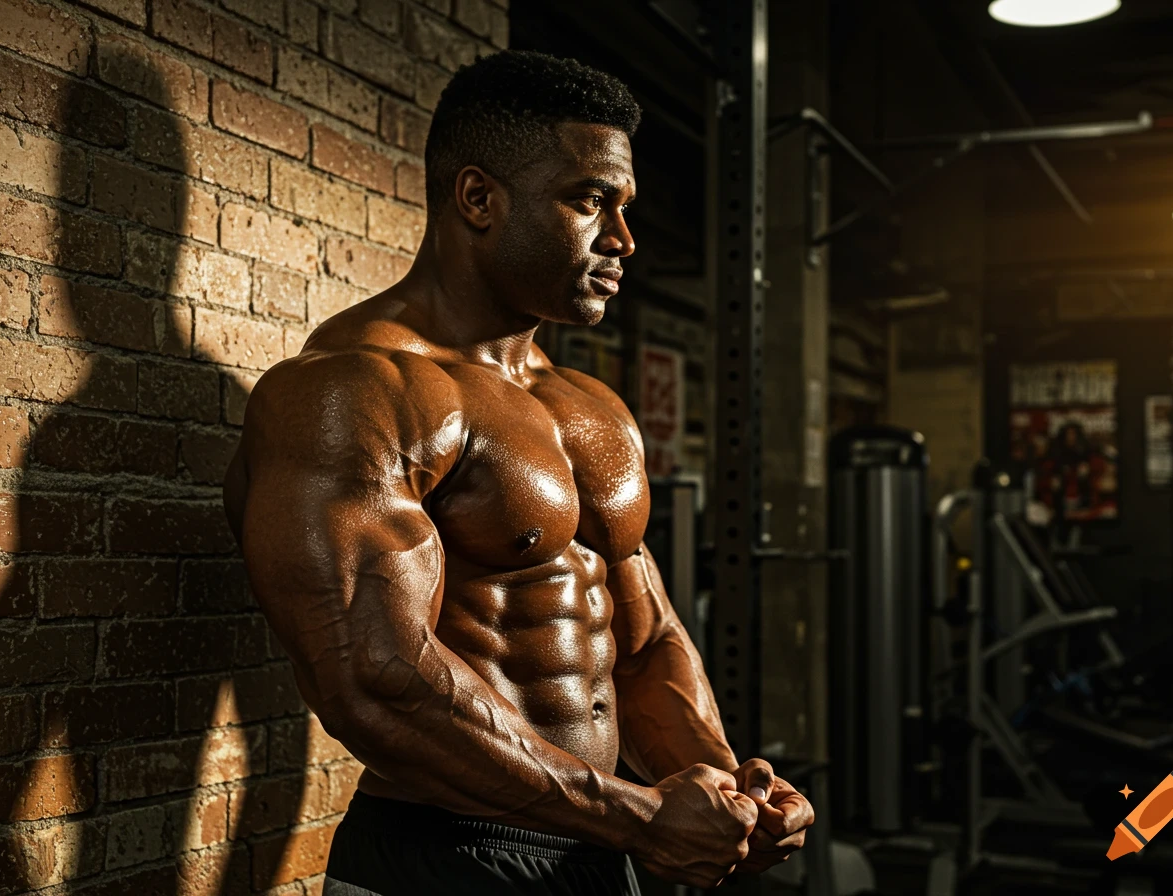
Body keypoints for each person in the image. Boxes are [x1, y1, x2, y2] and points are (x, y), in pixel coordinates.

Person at [222, 50, 814, 895]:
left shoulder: (590, 408)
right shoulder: (355, 391)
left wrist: (723, 793)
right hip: (443, 851)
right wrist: (635, 815)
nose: (623, 239)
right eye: (589, 201)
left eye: (626, 207)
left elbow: (643, 644)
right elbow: (374, 676)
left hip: (599, 846)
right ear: (478, 199)